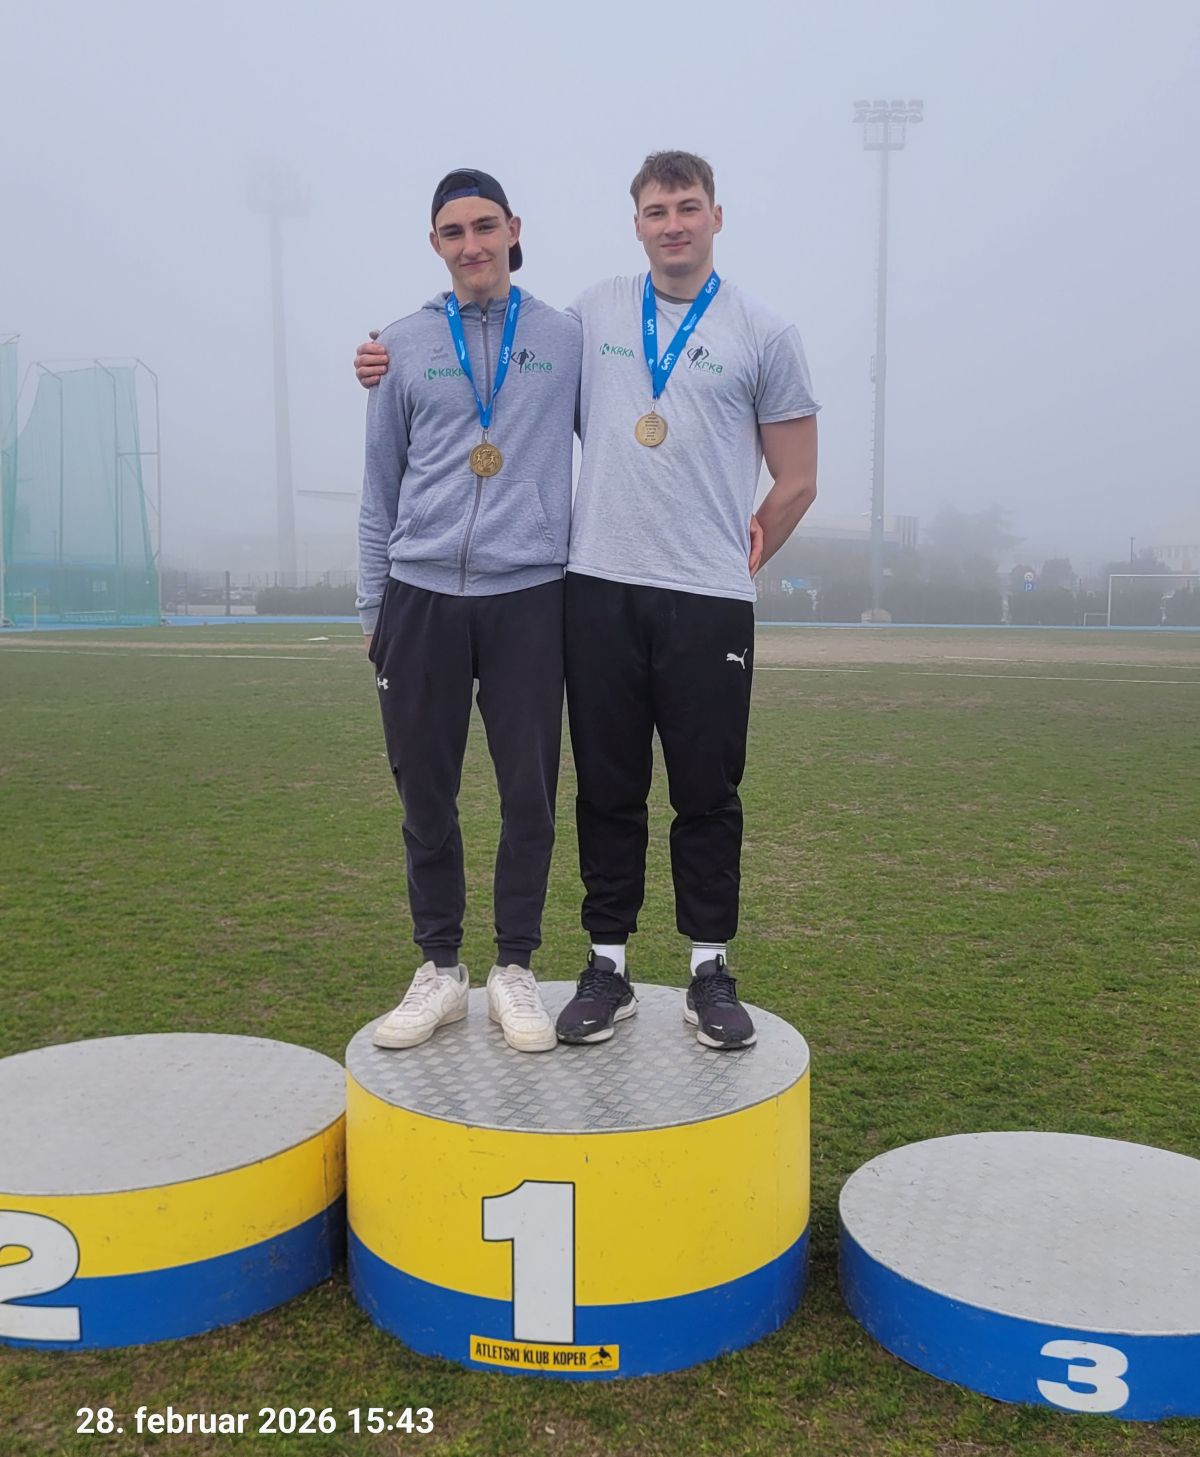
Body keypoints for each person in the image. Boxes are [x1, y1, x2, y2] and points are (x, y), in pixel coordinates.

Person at [356, 151, 818, 1052]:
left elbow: (783, 472)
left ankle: (658, 968)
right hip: (545, 590)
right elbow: (414, 452)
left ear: (716, 216)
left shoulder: (701, 331)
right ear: (636, 223)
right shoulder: (549, 323)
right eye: (657, 210)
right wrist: (381, 357)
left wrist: (756, 533)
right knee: (571, 791)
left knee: (667, 791)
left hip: (634, 596)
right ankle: (547, 966)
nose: (673, 223)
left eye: (688, 207)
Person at [357, 168, 581, 1053]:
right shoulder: (402, 345)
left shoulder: (564, 337)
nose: (472, 244)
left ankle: (514, 966)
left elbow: (622, 431)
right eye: (454, 232)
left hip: (530, 595)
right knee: (425, 792)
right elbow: (379, 485)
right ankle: (440, 968)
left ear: (513, 229)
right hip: (419, 598)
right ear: (435, 243)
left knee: (530, 795)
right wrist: (373, 607)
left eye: (485, 226)